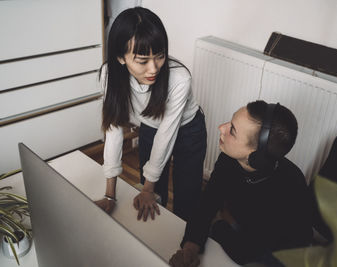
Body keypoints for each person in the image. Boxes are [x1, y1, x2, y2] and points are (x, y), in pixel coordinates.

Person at [94, 7, 207, 222]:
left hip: (189, 130)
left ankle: (186, 242)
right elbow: (113, 129)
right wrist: (110, 195)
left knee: (187, 196)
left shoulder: (179, 79)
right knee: (154, 193)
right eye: (142, 60)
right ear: (120, 57)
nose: (153, 68)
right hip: (150, 127)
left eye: (160, 56)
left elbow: (167, 133)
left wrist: (146, 189)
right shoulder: (109, 75)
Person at [169, 100, 312, 266]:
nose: (221, 127)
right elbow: (208, 202)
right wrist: (191, 245)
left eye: (232, 130)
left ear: (255, 156)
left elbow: (249, 251)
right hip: (244, 231)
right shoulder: (229, 159)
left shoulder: (288, 187)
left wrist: (219, 227)